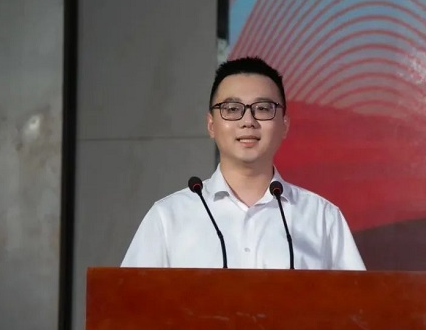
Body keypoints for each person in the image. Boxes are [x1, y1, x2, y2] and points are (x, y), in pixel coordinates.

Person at [121, 56, 365, 271]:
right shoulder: (168, 217)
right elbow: (128, 303)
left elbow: (357, 304)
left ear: (284, 125)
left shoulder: (322, 218)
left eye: (263, 108)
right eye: (232, 108)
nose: (248, 121)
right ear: (211, 125)